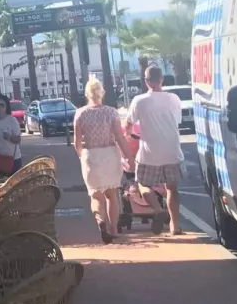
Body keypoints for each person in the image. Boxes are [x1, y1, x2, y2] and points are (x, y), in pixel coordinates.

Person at [126, 64, 184, 234]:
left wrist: (133, 134)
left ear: (146, 81)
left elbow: (128, 125)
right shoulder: (174, 99)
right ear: (162, 79)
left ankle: (158, 211)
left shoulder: (139, 100)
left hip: (148, 153)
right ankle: (174, 225)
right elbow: (177, 121)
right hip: (172, 151)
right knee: (172, 188)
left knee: (143, 184)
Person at [73, 76, 125, 243]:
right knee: (112, 194)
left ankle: (100, 221)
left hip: (90, 155)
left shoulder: (80, 113)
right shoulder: (111, 112)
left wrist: (82, 156)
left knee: (96, 196)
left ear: (87, 94)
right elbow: (119, 137)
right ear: (102, 92)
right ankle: (113, 229)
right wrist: (129, 156)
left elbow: (77, 142)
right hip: (109, 154)